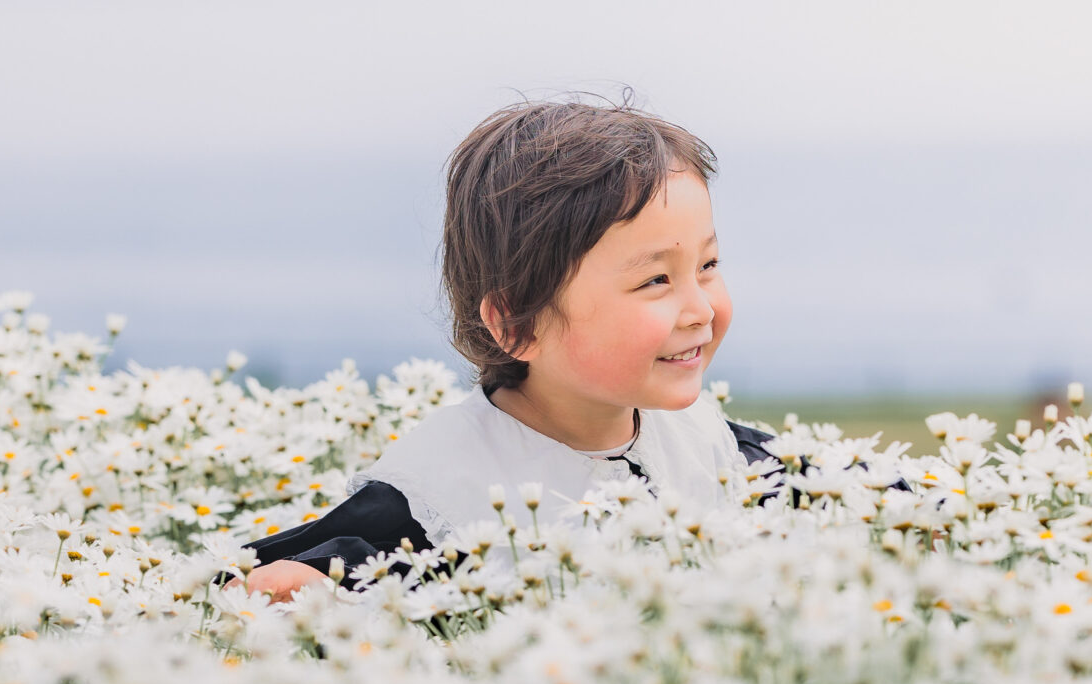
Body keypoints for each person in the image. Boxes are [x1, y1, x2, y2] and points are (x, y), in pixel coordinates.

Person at [242, 97, 774, 599]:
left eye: (707, 266)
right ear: (518, 326)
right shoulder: (433, 495)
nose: (701, 310)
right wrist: (305, 593)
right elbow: (282, 581)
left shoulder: (705, 441)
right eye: (655, 280)